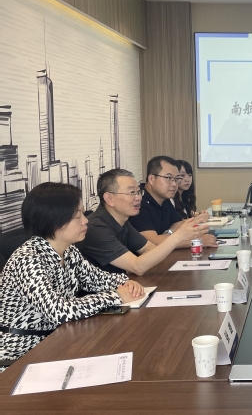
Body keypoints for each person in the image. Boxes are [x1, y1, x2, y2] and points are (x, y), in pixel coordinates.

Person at [0, 182, 144, 372]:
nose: (85, 221)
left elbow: (96, 279)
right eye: (77, 217)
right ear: (53, 221)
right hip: (21, 354)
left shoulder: (68, 251)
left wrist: (126, 283)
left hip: (57, 340)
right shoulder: (27, 260)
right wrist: (116, 296)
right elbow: (59, 311)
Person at [77, 169, 209, 275]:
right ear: (109, 198)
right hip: (100, 296)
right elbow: (137, 267)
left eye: (138, 192)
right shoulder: (95, 228)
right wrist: (178, 236)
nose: (138, 197)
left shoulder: (122, 222)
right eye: (131, 192)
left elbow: (149, 249)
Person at [129, 156, 217, 248]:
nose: (174, 184)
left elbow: (178, 223)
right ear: (151, 179)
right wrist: (196, 241)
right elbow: (153, 243)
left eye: (176, 179)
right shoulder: (138, 202)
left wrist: (168, 233)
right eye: (168, 178)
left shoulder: (163, 198)